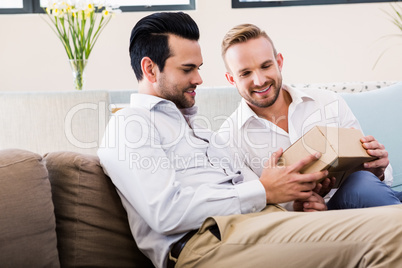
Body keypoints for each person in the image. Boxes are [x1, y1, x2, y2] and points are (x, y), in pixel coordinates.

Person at [98, 12, 402, 268]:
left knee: (385, 223)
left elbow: (260, 195)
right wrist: (263, 189)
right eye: (187, 69)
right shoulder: (130, 124)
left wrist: (290, 199)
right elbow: (166, 215)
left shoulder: (203, 134)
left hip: (262, 226)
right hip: (211, 242)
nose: (199, 79)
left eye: (199, 68)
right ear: (150, 68)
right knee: (393, 227)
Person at [218, 23, 402, 211]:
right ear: (232, 79)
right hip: (304, 223)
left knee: (363, 181)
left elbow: (374, 177)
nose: (260, 80)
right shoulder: (228, 139)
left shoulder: (328, 102)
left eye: (266, 66)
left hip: (364, 201)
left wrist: (378, 170)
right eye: (246, 73)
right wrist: (297, 208)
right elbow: (253, 205)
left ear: (279, 62)